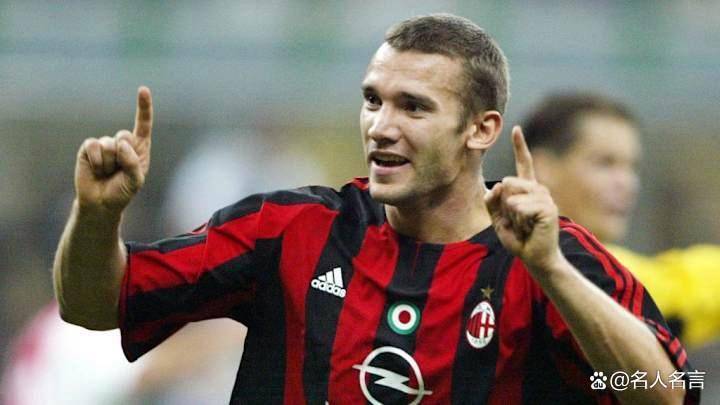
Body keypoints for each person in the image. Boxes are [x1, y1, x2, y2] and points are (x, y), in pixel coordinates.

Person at [53, 14, 698, 404]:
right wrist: (97, 216)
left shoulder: (554, 259)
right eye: (372, 100)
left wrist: (551, 270)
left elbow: (671, 393)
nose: (381, 126)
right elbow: (94, 306)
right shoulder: (290, 230)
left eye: (413, 107)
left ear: (481, 130)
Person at [522, 91, 720, 349]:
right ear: (543, 167)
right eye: (605, 163)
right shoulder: (543, 269)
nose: (627, 183)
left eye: (631, 167)